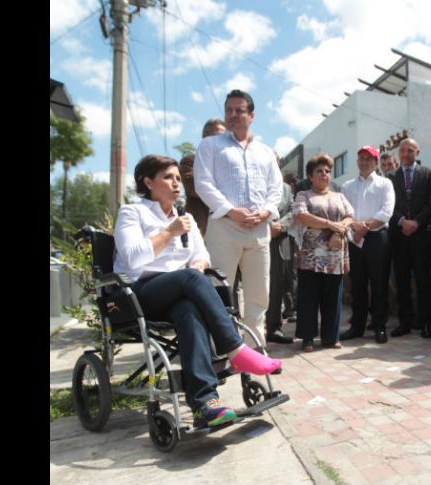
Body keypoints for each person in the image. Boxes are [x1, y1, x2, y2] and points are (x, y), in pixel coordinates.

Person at [113, 155, 282, 428]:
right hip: (141, 293)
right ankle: (235, 349)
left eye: (178, 178)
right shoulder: (133, 213)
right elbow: (132, 258)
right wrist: (169, 233)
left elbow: (201, 254)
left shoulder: (185, 217)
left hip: (178, 293)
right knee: (191, 279)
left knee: (189, 311)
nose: (176, 183)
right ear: (148, 182)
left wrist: (199, 261)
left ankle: (205, 405)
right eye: (168, 177)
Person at [194, 90, 283, 342]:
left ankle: (255, 348)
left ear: (251, 115)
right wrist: (232, 211)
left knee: (258, 294)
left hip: (259, 230)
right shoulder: (210, 145)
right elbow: (203, 184)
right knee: (218, 290)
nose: (233, 115)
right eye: (229, 110)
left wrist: (265, 212)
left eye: (239, 110)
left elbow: (275, 188)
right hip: (224, 227)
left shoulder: (265, 151)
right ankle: (218, 348)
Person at [291, 154, 355, 351]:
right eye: (319, 171)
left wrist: (340, 228)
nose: (324, 174)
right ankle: (308, 338)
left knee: (333, 297)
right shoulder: (303, 195)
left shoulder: (339, 196)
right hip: (311, 257)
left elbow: (350, 216)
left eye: (327, 171)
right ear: (310, 176)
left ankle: (331, 337)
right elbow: (301, 216)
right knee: (309, 297)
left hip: (335, 255)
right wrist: (330, 224)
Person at [340, 145, 395, 344]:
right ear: (357, 162)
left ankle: (379, 326)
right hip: (354, 239)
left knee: (379, 284)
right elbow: (344, 212)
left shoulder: (385, 184)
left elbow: (386, 212)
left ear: (376, 162)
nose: (364, 162)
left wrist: (365, 227)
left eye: (368, 158)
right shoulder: (347, 186)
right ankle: (357, 326)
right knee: (358, 285)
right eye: (361, 158)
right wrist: (355, 229)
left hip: (377, 238)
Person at [387, 138, 431, 339]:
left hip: (422, 235)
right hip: (399, 236)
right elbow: (388, 204)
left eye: (410, 150)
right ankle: (405, 322)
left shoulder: (428, 174)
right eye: (402, 150)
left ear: (417, 152)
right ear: (398, 153)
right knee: (401, 281)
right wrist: (402, 221)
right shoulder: (390, 176)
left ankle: (425, 323)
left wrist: (416, 222)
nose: (406, 154)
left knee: (423, 280)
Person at [178, 119, 226, 236]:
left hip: (229, 233)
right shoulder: (189, 162)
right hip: (202, 232)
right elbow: (197, 189)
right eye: (218, 136)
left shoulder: (230, 164)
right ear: (205, 137)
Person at [265, 180, 296, 344]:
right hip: (257, 237)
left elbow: (292, 211)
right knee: (255, 286)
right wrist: (267, 226)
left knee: (277, 285)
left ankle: (274, 328)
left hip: (280, 242)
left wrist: (280, 226)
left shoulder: (286, 188)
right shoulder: (255, 182)